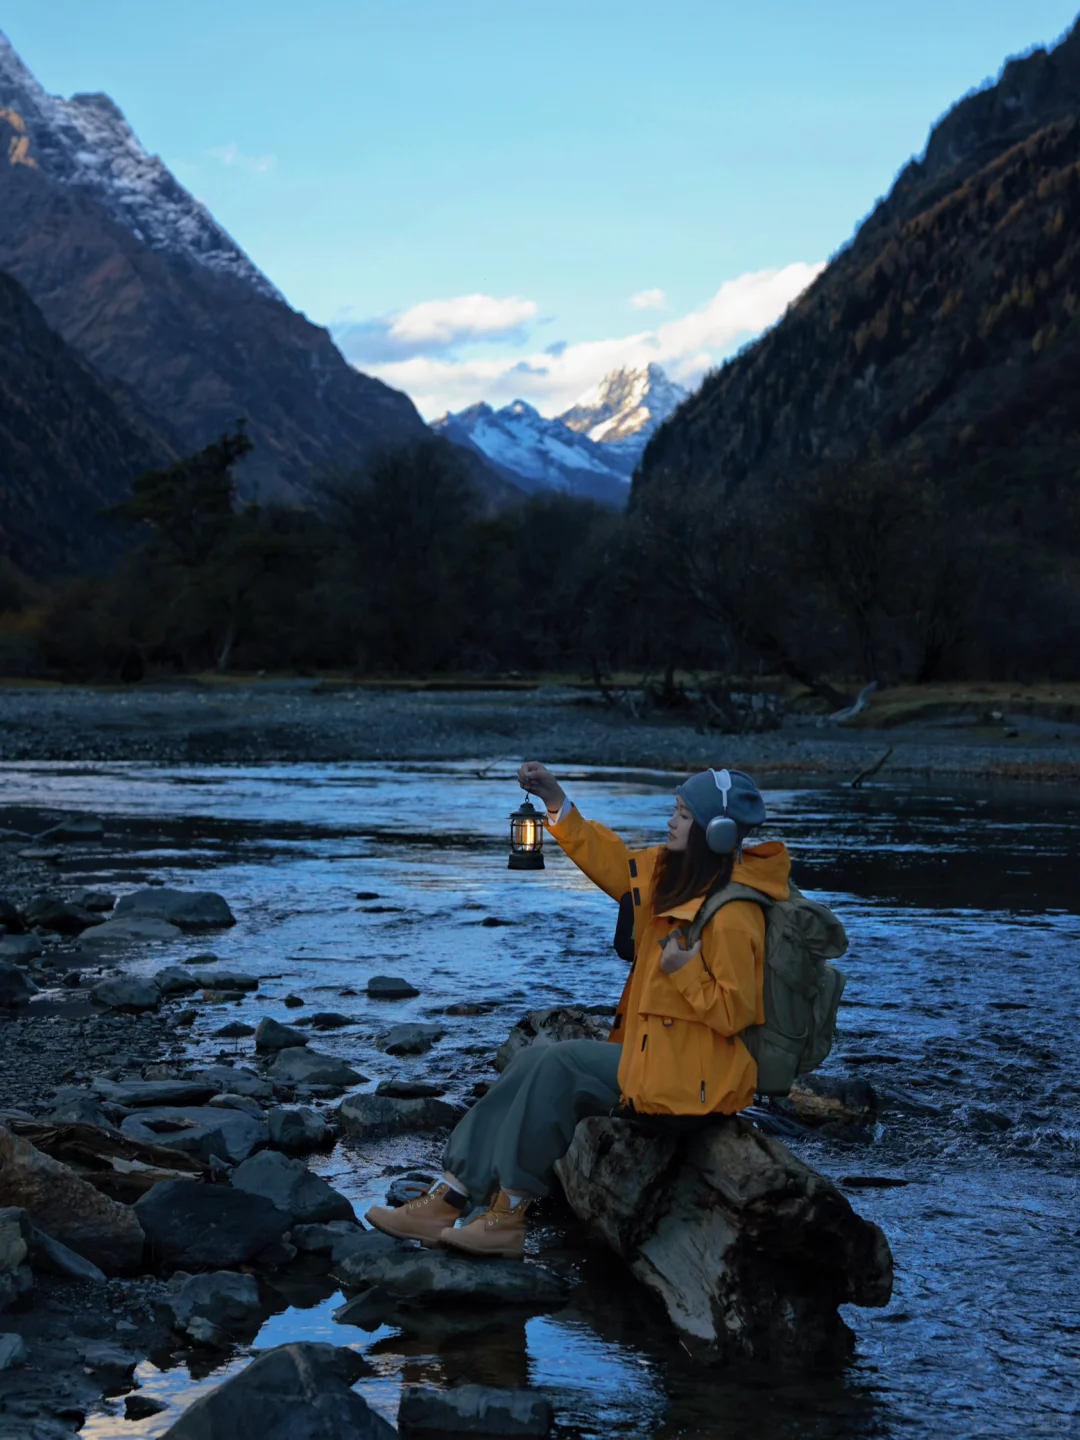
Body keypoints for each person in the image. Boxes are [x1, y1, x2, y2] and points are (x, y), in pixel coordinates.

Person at [364, 760, 791, 1258]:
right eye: (675, 810)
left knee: (559, 1065)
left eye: (682, 814)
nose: (671, 820)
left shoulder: (735, 913)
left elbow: (735, 1013)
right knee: (529, 1061)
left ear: (716, 833)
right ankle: (452, 1195)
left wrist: (685, 971)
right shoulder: (674, 875)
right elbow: (612, 862)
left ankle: (508, 1214)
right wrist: (555, 801)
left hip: (693, 1087)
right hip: (658, 1061)